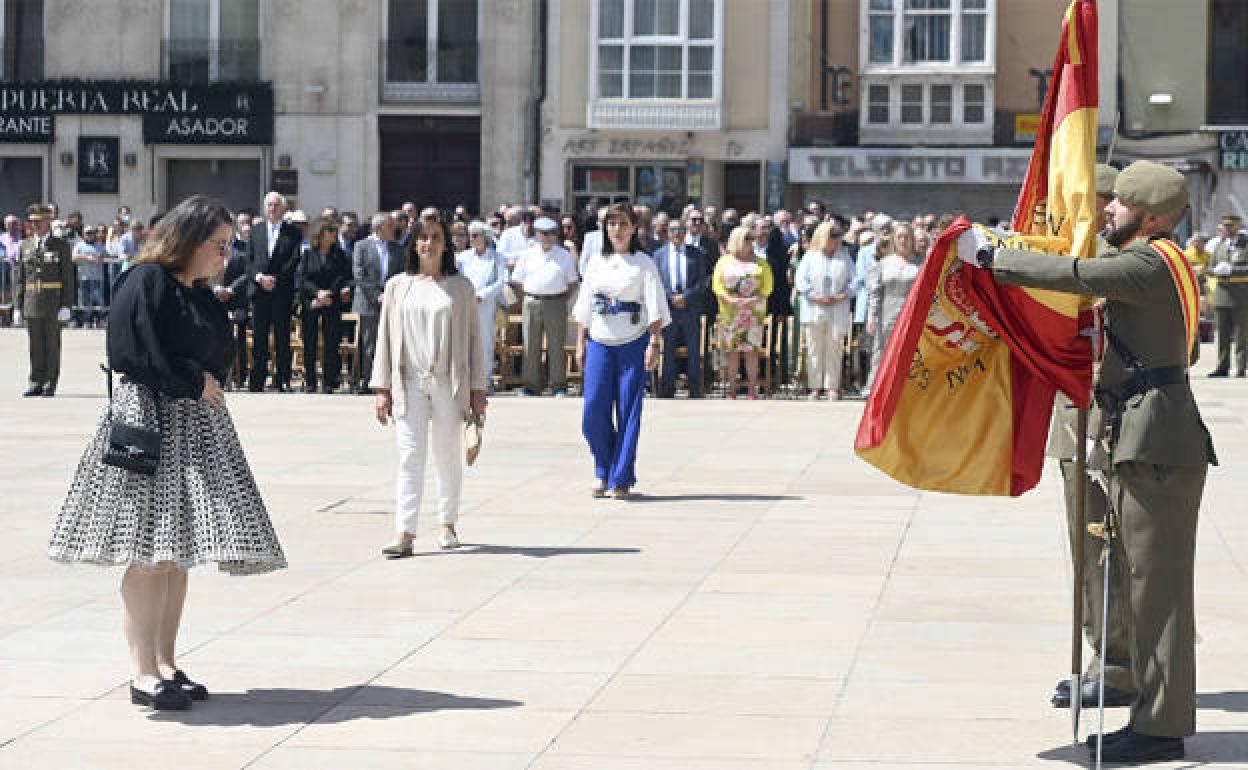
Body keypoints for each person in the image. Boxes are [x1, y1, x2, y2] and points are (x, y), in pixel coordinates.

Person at [958, 160, 1217, 764]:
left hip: (1157, 438)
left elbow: (1076, 271)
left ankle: (1160, 726)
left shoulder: (1149, 262)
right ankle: (1152, 711)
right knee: (1142, 580)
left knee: (1160, 589)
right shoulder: (1157, 257)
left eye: (1118, 204)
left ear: (1150, 216)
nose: (1106, 210)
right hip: (1145, 429)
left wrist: (992, 258)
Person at [48, 195, 287, 712]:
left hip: (194, 424)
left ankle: (165, 662)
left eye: (228, 246)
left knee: (175, 554)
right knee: (148, 551)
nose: (226, 256)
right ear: (190, 240)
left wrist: (206, 378)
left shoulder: (198, 291)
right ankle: (141, 671)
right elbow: (129, 353)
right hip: (150, 421)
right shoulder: (145, 279)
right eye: (219, 246)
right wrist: (189, 379)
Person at [1048, 163, 1136, 712]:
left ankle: (1118, 664)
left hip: (1100, 422)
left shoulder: (1118, 262)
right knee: (1086, 548)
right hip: (1070, 420)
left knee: (1106, 547)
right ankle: (1103, 653)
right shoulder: (1070, 256)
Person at [372, 219, 488, 557]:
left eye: (435, 238)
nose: (428, 244)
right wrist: (382, 389)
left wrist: (478, 390)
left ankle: (447, 523)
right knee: (409, 456)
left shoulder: (461, 288)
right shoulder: (397, 286)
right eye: (422, 238)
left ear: (445, 244)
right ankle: (405, 532)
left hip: (448, 383)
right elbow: (385, 338)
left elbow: (473, 341)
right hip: (408, 382)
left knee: (447, 454)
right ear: (413, 244)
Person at [573, 203, 670, 499]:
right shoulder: (595, 262)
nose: (617, 229)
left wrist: (654, 343)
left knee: (629, 410)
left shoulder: (644, 263)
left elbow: (655, 307)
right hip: (600, 341)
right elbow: (585, 307)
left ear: (634, 228)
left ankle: (621, 476)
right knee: (593, 411)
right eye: (612, 224)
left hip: (633, 341)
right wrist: (581, 343)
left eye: (623, 223)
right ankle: (603, 467)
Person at [510, 217, 579, 396]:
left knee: (556, 345)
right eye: (544, 234)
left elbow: (572, 283)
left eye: (552, 234)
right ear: (537, 235)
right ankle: (530, 385)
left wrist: (561, 299)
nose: (548, 237)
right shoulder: (527, 254)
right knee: (530, 344)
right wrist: (527, 297)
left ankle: (558, 385)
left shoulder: (564, 255)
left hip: (556, 301)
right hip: (532, 300)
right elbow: (517, 281)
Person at [14, 204, 75, 397]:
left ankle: (50, 382)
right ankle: (35, 381)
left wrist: (66, 305)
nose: (35, 225)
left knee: (52, 345)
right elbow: (19, 278)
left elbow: (67, 278)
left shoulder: (61, 246)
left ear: (48, 222)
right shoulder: (25, 245)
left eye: (39, 221)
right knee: (35, 346)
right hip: (32, 302)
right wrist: (17, 306)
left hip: (53, 303)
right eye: (33, 221)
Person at [247, 192, 302, 392]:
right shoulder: (256, 231)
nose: (272, 208)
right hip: (260, 292)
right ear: (264, 208)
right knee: (260, 338)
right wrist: (260, 278)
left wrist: (276, 279)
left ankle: (283, 379)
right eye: (269, 205)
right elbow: (249, 261)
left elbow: (294, 260)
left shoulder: (293, 232)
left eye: (276, 205)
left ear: (283, 208)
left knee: (282, 338)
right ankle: (258, 379)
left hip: (281, 292)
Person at [794, 221, 856, 399]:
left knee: (834, 347)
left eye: (838, 236)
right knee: (814, 348)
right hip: (815, 307)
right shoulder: (811, 256)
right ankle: (814, 386)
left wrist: (843, 295)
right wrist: (814, 295)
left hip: (837, 307)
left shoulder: (844, 256)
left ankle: (832, 386)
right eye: (833, 236)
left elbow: (855, 280)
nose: (837, 240)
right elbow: (800, 280)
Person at [713, 225, 773, 399]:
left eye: (752, 238)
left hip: (753, 314)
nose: (751, 241)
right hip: (731, 313)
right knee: (732, 352)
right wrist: (730, 300)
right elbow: (717, 286)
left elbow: (768, 286)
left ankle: (752, 390)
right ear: (737, 240)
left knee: (751, 352)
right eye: (747, 238)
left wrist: (754, 299)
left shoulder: (760, 262)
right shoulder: (724, 261)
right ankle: (732, 390)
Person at [653, 219, 709, 397]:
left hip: (690, 307)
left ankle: (694, 389)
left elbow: (703, 281)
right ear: (668, 233)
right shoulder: (658, 255)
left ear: (686, 232)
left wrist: (686, 297)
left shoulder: (697, 253)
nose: (677, 233)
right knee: (668, 349)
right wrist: (671, 297)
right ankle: (667, 388)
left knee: (693, 350)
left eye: (681, 230)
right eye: (673, 229)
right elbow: (656, 281)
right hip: (668, 308)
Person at [298, 216, 352, 393]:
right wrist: (317, 294)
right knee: (310, 343)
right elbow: (302, 279)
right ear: (320, 233)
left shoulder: (340, 254)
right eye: (330, 231)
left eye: (335, 231)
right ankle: (311, 382)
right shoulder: (308, 254)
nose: (334, 234)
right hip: (312, 303)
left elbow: (343, 276)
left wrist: (330, 293)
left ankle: (329, 381)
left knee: (331, 343)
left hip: (331, 301)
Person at [864, 226, 920, 394]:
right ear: (894, 240)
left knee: (910, 352)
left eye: (907, 237)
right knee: (882, 351)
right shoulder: (884, 264)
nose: (903, 240)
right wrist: (872, 317)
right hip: (887, 312)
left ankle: (907, 390)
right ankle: (877, 390)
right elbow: (875, 293)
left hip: (913, 312)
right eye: (900, 237)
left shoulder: (921, 263)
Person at [352, 213, 402, 394]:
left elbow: (401, 274)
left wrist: (390, 294)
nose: (393, 229)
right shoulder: (361, 246)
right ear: (379, 228)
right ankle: (368, 380)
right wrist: (376, 295)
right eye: (390, 226)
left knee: (391, 343)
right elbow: (359, 275)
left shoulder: (397, 248)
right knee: (369, 344)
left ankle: (388, 382)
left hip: (392, 301)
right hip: (368, 302)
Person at [456, 220, 509, 387]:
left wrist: (482, 295)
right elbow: (457, 278)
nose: (471, 239)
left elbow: (501, 281)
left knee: (484, 340)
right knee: (464, 340)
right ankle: (466, 380)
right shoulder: (463, 257)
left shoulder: (497, 257)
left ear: (484, 237)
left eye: (475, 235)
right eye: (469, 235)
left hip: (485, 305)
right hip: (464, 303)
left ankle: (484, 380)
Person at [1207, 214, 1248, 377]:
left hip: (1241, 297)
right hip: (1222, 296)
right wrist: (1216, 270)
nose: (1227, 228)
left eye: (1231, 225)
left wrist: (1232, 270)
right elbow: (1210, 268)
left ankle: (1240, 367)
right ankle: (1222, 367)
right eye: (1225, 225)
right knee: (1222, 336)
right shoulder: (1219, 246)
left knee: (1241, 336)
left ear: (1239, 226)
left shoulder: (1245, 246)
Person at [72, 224, 108, 327]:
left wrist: (101, 256)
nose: (90, 235)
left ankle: (99, 320)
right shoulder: (79, 245)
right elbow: (73, 256)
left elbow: (106, 255)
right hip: (83, 277)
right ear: (84, 234)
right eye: (87, 233)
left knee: (97, 299)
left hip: (97, 278)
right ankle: (87, 321)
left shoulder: (99, 245)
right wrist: (87, 258)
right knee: (84, 300)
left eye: (91, 233)